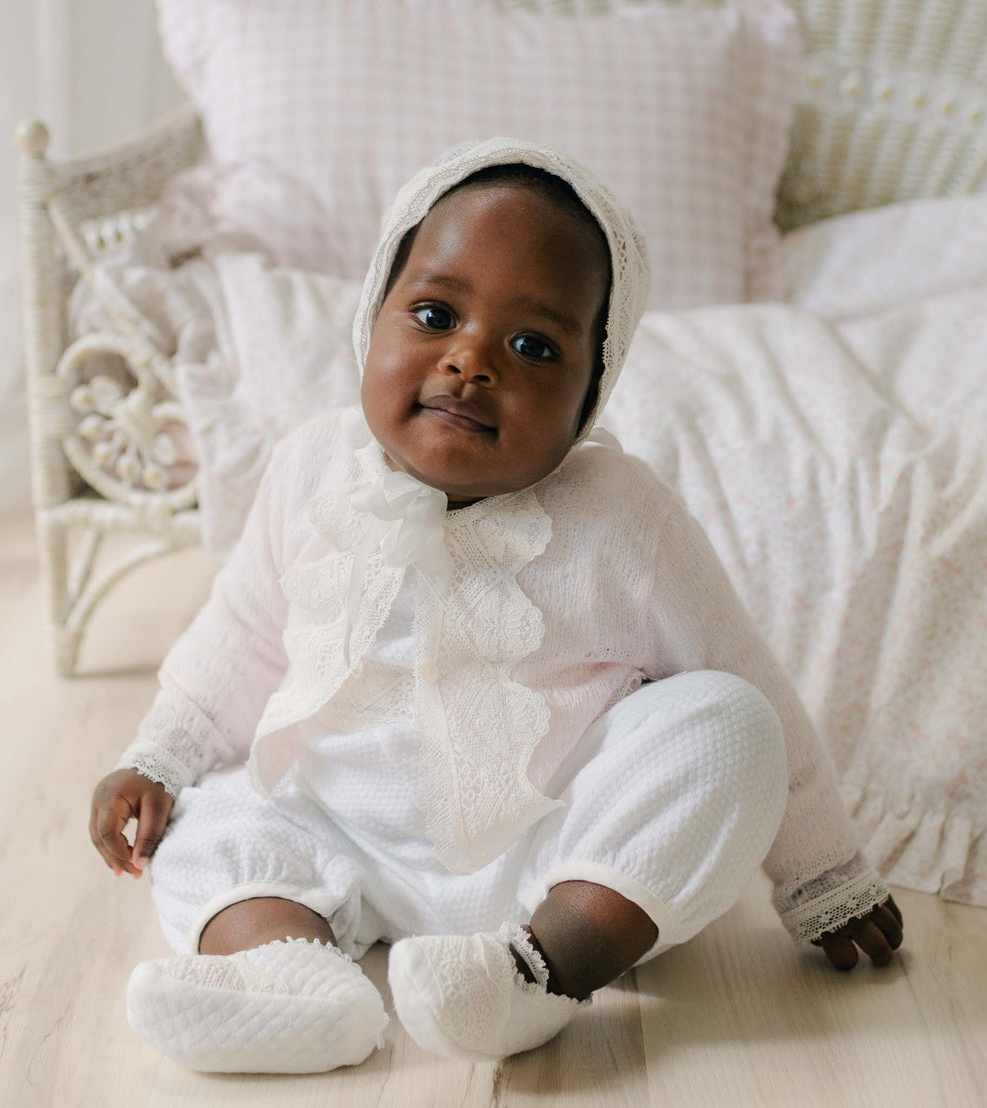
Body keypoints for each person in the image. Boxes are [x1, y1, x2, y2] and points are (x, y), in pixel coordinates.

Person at [89, 136, 903, 1074]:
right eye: (434, 314)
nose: (471, 361)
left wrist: (825, 877)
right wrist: (154, 757)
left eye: (533, 345)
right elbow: (236, 642)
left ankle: (538, 975)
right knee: (208, 826)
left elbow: (745, 675)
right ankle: (292, 980)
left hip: (545, 854)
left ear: (588, 394)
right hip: (331, 830)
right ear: (372, 320)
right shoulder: (311, 466)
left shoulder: (622, 516)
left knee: (732, 722)